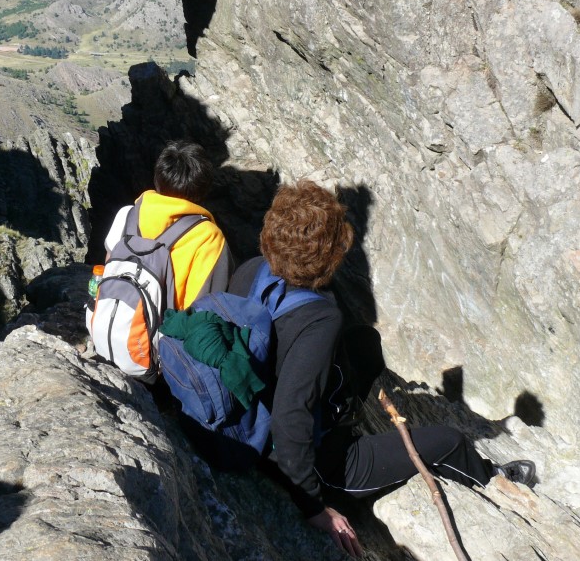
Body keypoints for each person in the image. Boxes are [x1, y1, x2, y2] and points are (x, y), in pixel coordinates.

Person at [227, 180, 535, 558]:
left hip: (255, 413)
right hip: (323, 463)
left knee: (363, 343)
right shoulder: (318, 317)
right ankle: (495, 480)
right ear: (330, 252)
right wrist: (314, 507)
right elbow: (292, 417)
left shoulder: (252, 270)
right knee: (448, 442)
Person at [104, 140, 232, 311]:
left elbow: (108, 266)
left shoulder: (128, 214)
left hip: (112, 323)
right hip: (163, 335)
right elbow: (206, 304)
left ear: (158, 178)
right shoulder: (209, 237)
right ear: (204, 188)